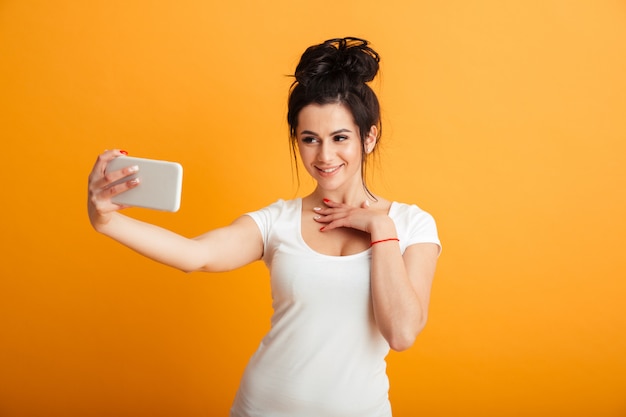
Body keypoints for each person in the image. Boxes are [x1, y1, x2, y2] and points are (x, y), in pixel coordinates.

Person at [88, 37, 441, 417]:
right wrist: (107, 220)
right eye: (310, 140)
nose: (324, 156)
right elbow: (196, 255)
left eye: (340, 138)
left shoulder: (411, 224)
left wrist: (380, 228)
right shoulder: (278, 221)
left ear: (368, 138)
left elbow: (402, 333)